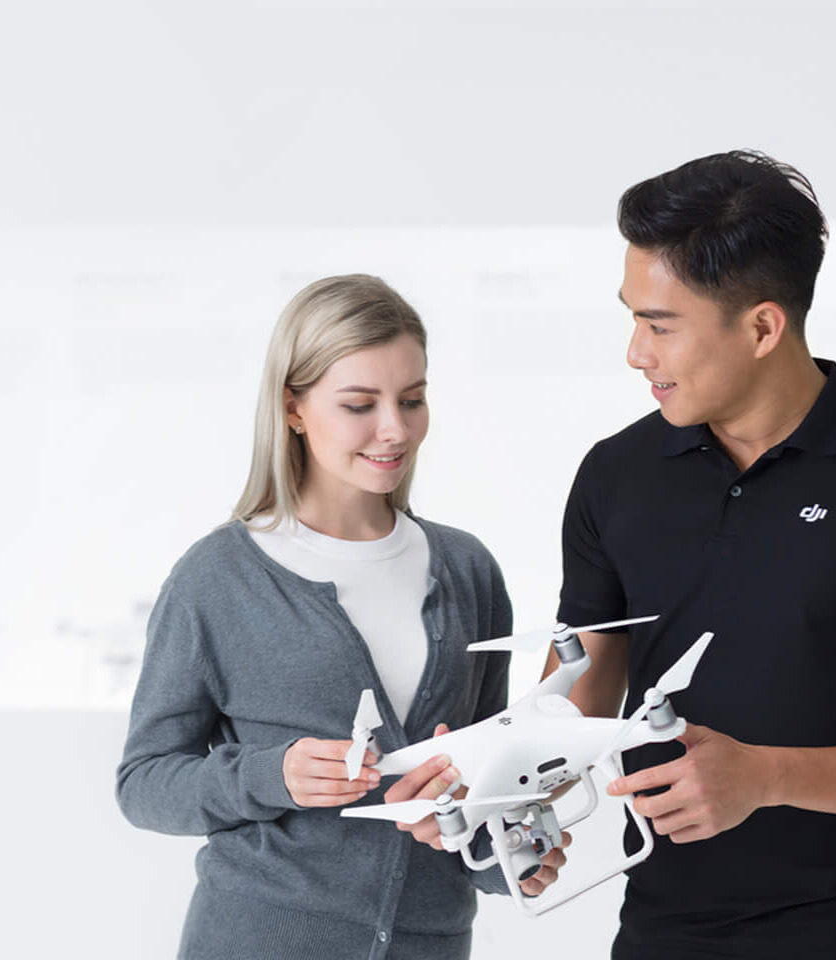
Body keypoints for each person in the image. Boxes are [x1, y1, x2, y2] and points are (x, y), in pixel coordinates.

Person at [550, 152, 836, 960]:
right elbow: (580, 703)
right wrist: (485, 778)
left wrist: (765, 777)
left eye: (661, 324)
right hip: (655, 934)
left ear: (764, 326)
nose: (636, 352)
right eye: (633, 317)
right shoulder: (614, 473)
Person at [116, 274, 564, 960]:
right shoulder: (219, 578)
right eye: (360, 404)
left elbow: (481, 783)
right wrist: (274, 774)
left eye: (412, 400)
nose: (396, 429)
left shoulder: (467, 569)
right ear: (293, 409)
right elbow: (144, 782)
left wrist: (518, 851)